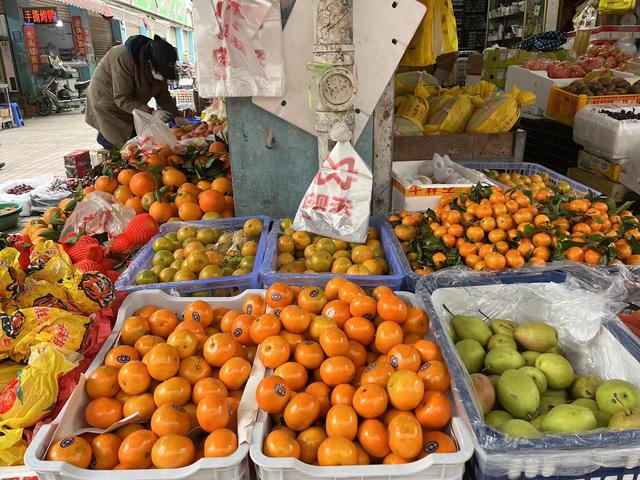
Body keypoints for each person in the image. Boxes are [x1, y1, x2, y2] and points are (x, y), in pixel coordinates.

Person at [85, 34, 187, 149]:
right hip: (107, 102)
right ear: (150, 64)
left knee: (136, 138)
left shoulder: (158, 61)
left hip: (131, 103)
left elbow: (163, 95)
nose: (163, 79)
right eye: (161, 74)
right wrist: (152, 112)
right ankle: (107, 143)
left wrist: (175, 115)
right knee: (119, 141)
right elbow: (122, 99)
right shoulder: (123, 57)